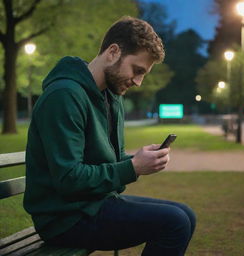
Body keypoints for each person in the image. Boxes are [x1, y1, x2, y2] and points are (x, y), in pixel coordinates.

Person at [24, 16, 196, 256]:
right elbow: (69, 179)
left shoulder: (110, 96)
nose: (138, 82)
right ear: (113, 52)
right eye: (137, 70)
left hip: (94, 204)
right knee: (174, 222)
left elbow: (103, 161)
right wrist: (133, 167)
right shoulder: (64, 96)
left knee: (186, 214)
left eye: (144, 74)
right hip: (65, 218)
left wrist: (138, 159)